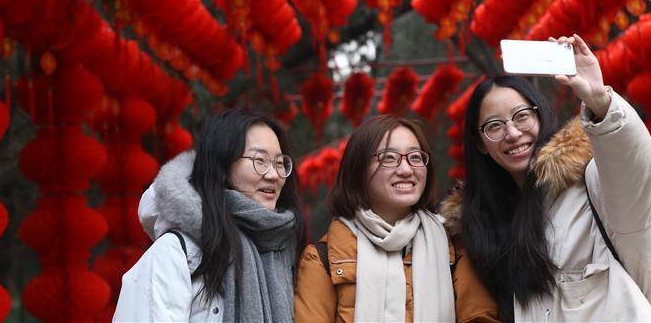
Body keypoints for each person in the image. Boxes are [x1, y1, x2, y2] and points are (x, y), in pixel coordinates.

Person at [440, 35, 651, 322]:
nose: (512, 133)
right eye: (494, 126)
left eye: (522, 116)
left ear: (541, 116)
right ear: (480, 144)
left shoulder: (592, 185)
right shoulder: (479, 225)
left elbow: (632, 166)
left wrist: (600, 101)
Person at [295, 115, 498, 322]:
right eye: (389, 158)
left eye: (415, 157)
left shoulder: (455, 246)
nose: (406, 170)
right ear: (358, 169)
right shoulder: (322, 259)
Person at [113, 109, 305, 322]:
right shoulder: (176, 254)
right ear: (223, 164)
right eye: (260, 160)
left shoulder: (284, 253)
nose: (274, 175)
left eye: (279, 163)